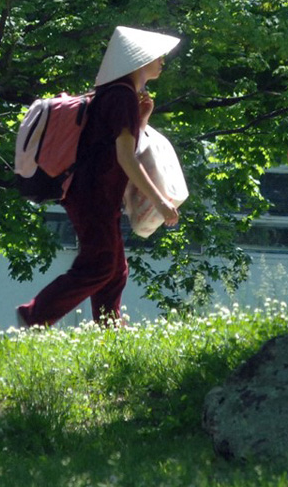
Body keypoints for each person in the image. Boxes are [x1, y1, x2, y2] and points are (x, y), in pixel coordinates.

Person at [17, 26, 182, 328]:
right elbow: (126, 157)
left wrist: (142, 121)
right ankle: (35, 315)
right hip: (93, 194)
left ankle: (110, 331)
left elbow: (115, 146)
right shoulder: (122, 97)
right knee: (100, 264)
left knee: (115, 268)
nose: (162, 61)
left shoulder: (117, 94)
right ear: (139, 60)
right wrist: (160, 202)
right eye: (157, 56)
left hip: (94, 193)